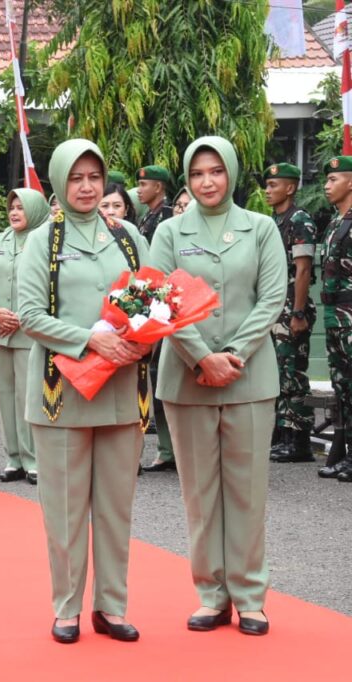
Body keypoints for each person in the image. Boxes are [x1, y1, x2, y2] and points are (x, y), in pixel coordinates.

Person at [149, 136, 286, 636]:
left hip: (249, 378)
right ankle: (211, 594)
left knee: (247, 492)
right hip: (187, 379)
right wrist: (203, 355)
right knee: (200, 494)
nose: (208, 181)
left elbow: (271, 298)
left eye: (217, 171)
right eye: (198, 173)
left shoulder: (261, 228)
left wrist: (233, 355)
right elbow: (158, 298)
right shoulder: (168, 231)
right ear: (187, 179)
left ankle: (250, 596)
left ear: (231, 173)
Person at [17, 139, 150, 645]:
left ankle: (111, 606)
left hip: (121, 389)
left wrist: (143, 341)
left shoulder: (129, 235)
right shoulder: (41, 240)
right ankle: (67, 607)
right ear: (58, 183)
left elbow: (153, 299)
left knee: (117, 507)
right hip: (63, 394)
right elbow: (30, 315)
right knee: (67, 508)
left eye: (95, 177)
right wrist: (88, 338)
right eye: (76, 178)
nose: (87, 187)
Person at [0, 188, 46, 484]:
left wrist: (21, 315)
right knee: (4, 396)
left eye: (22, 207)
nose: (15, 212)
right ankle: (13, 458)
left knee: (27, 396)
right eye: (12, 207)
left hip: (28, 331)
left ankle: (33, 460)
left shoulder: (45, 240)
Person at [263, 163, 317, 464]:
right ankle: (282, 434)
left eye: (274, 185)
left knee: (293, 373)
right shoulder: (274, 221)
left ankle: (299, 441)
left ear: (290, 188)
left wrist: (297, 312)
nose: (268, 190)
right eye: (267, 185)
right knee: (278, 373)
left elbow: (304, 268)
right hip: (276, 308)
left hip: (292, 309)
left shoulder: (299, 220)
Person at [135, 165, 178, 473]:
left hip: (165, 309)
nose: (139, 189)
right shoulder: (146, 217)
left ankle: (174, 448)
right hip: (148, 309)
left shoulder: (168, 219)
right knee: (154, 380)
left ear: (159, 188)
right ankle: (165, 448)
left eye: (144, 184)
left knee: (165, 381)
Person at [318, 156, 352, 481]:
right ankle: (345, 454)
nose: (327, 186)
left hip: (351, 313)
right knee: (342, 386)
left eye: (333, 180)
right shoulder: (333, 223)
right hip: (334, 315)